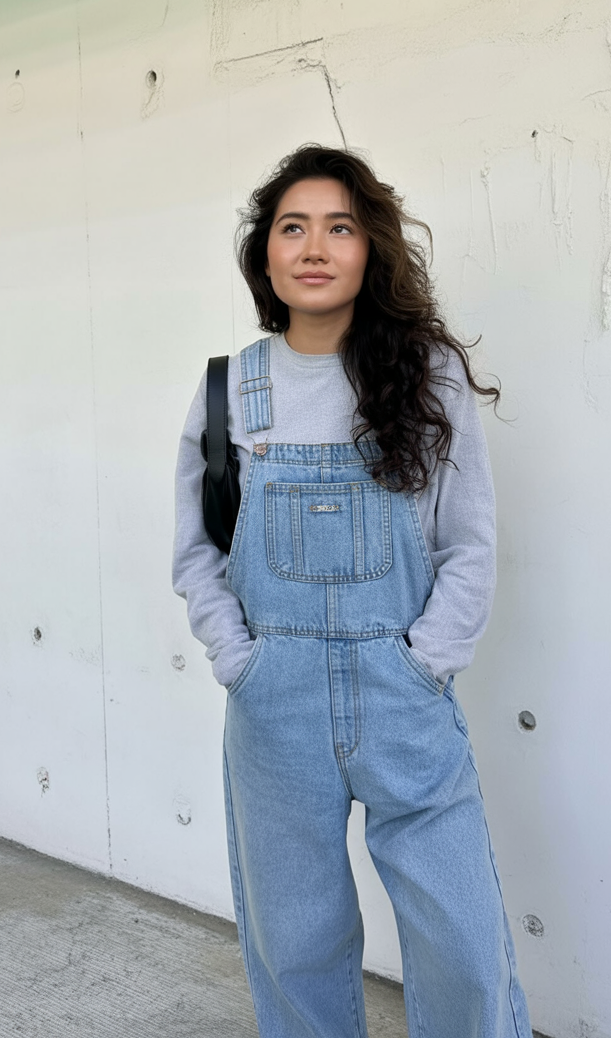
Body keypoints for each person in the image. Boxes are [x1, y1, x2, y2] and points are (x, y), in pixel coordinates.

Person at [172, 144, 533, 1038]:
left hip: (402, 689)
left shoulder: (426, 375)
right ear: (264, 255)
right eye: (292, 227)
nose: (314, 246)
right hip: (275, 696)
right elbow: (196, 552)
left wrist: (427, 662)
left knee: (462, 939)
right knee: (294, 938)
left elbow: (469, 543)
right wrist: (240, 660)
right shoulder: (231, 389)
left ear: (371, 248)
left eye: (339, 227)